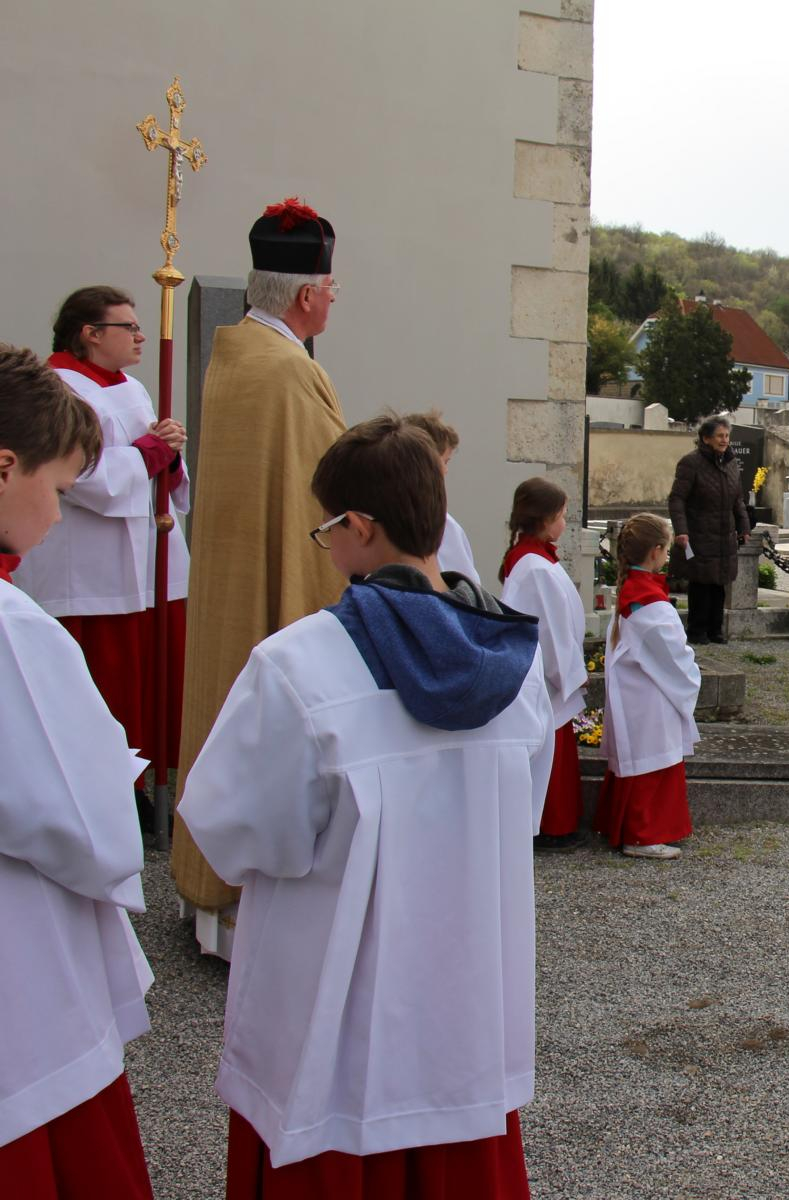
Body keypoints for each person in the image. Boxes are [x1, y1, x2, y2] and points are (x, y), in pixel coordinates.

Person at [179, 416, 552, 1196]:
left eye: (327, 532)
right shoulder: (513, 661)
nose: (327, 548)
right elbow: (520, 814)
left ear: (358, 526)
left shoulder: (298, 663)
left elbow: (238, 834)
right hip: (466, 1001)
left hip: (335, 1008)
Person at [0, 344, 155, 1199]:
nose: (59, 515)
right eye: (56, 489)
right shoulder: (13, 630)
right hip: (19, 968)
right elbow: (89, 834)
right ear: (4, 466)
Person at [171, 197, 348, 949]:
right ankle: (254, 913)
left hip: (228, 581)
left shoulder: (238, 353)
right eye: (331, 286)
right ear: (306, 296)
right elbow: (330, 491)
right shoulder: (288, 373)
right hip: (271, 579)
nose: (335, 297)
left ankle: (211, 900)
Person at [15, 286, 191, 823]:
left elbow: (154, 463)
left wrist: (169, 452)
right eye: (128, 327)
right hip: (88, 569)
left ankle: (150, 779)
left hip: (143, 558)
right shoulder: (58, 389)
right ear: (91, 334)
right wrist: (149, 454)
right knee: (105, 682)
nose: (141, 337)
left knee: (149, 680)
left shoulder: (132, 388)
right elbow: (82, 476)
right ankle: (112, 792)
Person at [600, 513, 699, 860]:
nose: (668, 556)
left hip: (639, 690)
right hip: (650, 694)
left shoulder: (634, 590)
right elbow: (673, 654)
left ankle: (635, 830)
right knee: (651, 761)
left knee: (643, 759)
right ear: (655, 551)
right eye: (667, 550)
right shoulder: (649, 602)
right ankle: (642, 835)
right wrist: (692, 674)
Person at [500, 477, 589, 848]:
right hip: (546, 679)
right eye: (563, 515)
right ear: (547, 518)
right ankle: (553, 827)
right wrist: (570, 674)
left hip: (543, 677)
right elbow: (550, 631)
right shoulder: (535, 567)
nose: (565, 523)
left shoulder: (530, 557)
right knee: (550, 757)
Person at [668, 416, 750, 644]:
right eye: (719, 436)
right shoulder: (691, 463)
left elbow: (737, 499)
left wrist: (743, 526)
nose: (724, 440)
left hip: (724, 534)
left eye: (727, 436)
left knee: (719, 583)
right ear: (706, 439)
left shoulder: (730, 463)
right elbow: (677, 499)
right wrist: (681, 530)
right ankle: (697, 630)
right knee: (701, 583)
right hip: (700, 532)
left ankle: (716, 630)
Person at [399, 409, 481, 586]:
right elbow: (465, 585)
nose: (446, 470)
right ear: (426, 462)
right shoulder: (440, 523)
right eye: (444, 461)